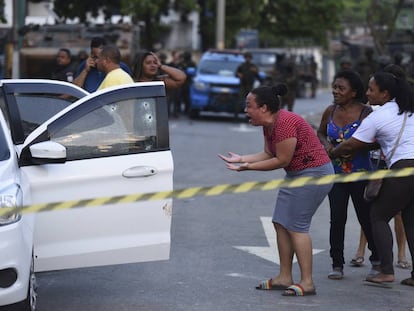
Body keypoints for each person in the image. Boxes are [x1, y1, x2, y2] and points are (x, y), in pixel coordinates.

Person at [218, 84, 333, 296]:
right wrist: (242, 158)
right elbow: (268, 153)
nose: (245, 111)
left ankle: (307, 282)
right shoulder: (268, 124)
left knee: (297, 226)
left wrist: (248, 168)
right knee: (280, 222)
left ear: (263, 108)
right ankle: (284, 277)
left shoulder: (285, 123)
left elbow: (281, 159)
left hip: (314, 174)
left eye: (249, 106)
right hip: (296, 175)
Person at [329, 65, 414, 287]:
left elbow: (350, 145)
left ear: (384, 94)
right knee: (411, 221)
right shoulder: (408, 108)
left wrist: (333, 152)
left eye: (371, 89)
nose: (367, 93)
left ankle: (386, 270)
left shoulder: (379, 115)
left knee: (377, 215)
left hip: (404, 168)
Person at [317, 70, 379, 280]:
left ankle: (377, 260)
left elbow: (378, 140)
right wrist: (326, 145)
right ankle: (337, 264)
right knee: (337, 219)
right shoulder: (330, 111)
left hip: (360, 174)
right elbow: (321, 132)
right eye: (334, 87)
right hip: (335, 175)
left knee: (366, 218)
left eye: (340, 88)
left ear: (353, 93)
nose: (335, 91)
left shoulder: (366, 113)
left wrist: (357, 147)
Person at [235, 52, 261, 119]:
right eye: (247, 58)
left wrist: (255, 72)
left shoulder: (253, 66)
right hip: (243, 85)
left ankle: (249, 116)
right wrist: (238, 74)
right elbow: (236, 74)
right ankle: (236, 116)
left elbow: (258, 76)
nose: (248, 59)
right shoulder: (241, 66)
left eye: (249, 58)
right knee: (240, 101)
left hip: (250, 86)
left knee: (251, 102)